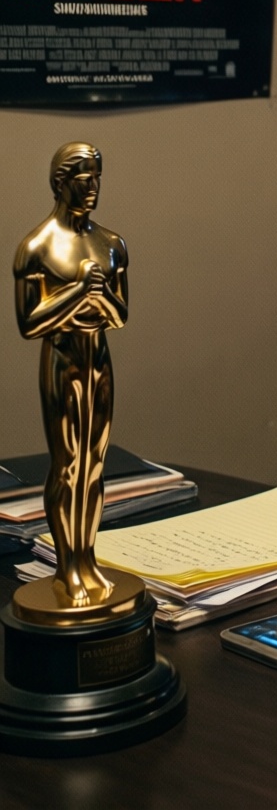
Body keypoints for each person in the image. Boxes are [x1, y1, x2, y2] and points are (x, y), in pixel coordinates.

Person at [14, 143, 128, 610]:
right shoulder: (37, 247)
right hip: (62, 361)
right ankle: (67, 567)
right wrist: (80, 290)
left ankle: (87, 559)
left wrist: (100, 298)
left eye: (97, 177)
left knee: (95, 463)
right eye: (84, 179)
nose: (93, 188)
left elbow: (120, 316)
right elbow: (30, 324)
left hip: (98, 357)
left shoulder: (112, 244)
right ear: (60, 183)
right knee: (67, 465)